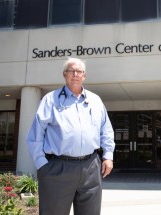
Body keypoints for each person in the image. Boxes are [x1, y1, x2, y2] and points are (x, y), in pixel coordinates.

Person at [27, 57, 115, 215]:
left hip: (91, 167)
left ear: (84, 76)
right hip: (58, 167)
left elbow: (106, 130)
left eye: (79, 71)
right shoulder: (50, 100)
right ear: (64, 74)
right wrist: (43, 165)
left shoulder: (95, 100)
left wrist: (108, 156)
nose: (75, 74)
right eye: (71, 71)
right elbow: (35, 135)